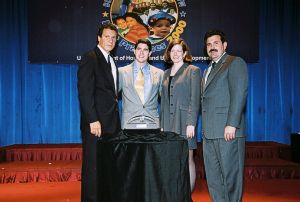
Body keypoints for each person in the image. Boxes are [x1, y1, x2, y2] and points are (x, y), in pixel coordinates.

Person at [201, 30, 248, 202]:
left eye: (216, 43)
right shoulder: (207, 70)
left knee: (231, 179)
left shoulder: (235, 62)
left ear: (224, 45)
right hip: (209, 133)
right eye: (209, 44)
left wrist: (232, 124)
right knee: (214, 180)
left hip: (227, 131)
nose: (212, 47)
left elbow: (239, 94)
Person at [77, 23, 121, 202]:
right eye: (107, 36)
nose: (110, 40)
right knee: (93, 168)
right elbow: (85, 92)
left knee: (107, 166)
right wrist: (93, 119)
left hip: (111, 124)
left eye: (113, 37)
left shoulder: (111, 60)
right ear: (99, 38)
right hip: (96, 124)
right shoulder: (91, 57)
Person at [160, 38, 201, 192]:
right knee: (171, 159)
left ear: (184, 54)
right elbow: (163, 102)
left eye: (179, 51)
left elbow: (195, 99)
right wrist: (162, 125)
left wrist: (191, 123)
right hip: (168, 123)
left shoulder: (193, 71)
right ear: (169, 53)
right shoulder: (165, 74)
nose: (176, 54)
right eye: (173, 50)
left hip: (185, 122)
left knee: (188, 159)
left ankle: (188, 194)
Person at [119, 38, 164, 130]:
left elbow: (165, 101)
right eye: (139, 49)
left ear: (150, 53)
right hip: (129, 123)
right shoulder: (122, 72)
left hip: (152, 123)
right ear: (134, 51)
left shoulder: (159, 73)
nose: (141, 52)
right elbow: (112, 97)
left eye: (145, 50)